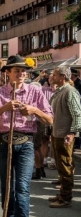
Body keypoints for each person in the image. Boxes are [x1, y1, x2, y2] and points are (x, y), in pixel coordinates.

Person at [0, 55, 53, 217]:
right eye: (16, 70)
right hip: (4, 144)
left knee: (22, 187)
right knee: (7, 185)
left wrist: (34, 111)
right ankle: (10, 216)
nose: (21, 74)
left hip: (26, 143)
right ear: (8, 73)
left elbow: (50, 120)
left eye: (23, 70)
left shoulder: (35, 93)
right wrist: (4, 108)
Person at [47, 65, 81, 208]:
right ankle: (62, 193)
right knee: (61, 166)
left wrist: (72, 133)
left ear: (62, 77)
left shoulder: (70, 92)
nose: (52, 77)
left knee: (66, 166)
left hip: (65, 135)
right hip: (57, 133)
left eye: (55, 75)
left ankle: (66, 198)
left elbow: (77, 115)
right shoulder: (59, 91)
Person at [33, 71, 54, 180]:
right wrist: (39, 77)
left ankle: (38, 170)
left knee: (36, 147)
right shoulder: (43, 91)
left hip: (39, 122)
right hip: (43, 122)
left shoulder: (38, 95)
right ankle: (40, 169)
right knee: (39, 146)